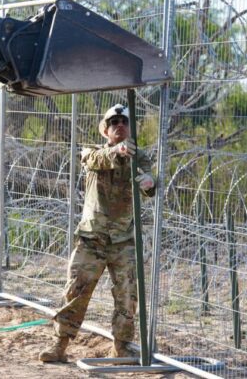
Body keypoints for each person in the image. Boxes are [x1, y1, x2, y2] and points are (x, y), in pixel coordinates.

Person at [38, 103, 156, 363]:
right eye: (114, 123)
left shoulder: (141, 156)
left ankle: (122, 346)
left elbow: (148, 181)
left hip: (123, 240)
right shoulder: (92, 153)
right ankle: (60, 344)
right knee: (76, 291)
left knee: (127, 296)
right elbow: (96, 161)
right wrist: (118, 151)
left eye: (124, 122)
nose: (120, 127)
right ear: (105, 130)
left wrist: (149, 184)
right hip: (93, 238)